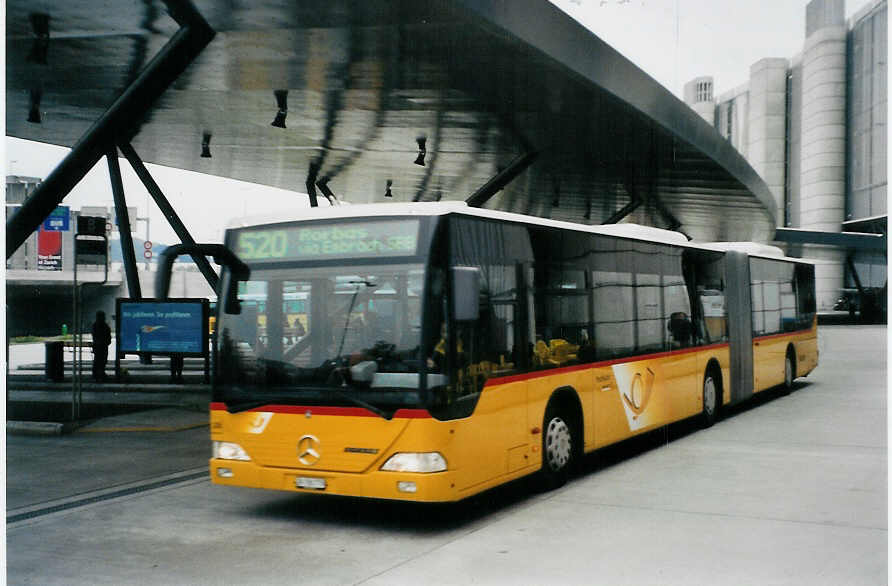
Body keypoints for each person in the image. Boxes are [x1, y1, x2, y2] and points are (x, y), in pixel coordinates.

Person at [91, 310, 111, 382]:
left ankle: (96, 374)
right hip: (103, 346)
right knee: (103, 361)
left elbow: (94, 335)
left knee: (97, 361)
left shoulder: (95, 325)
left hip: (97, 346)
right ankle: (101, 373)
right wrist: (107, 342)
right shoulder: (106, 326)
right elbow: (108, 337)